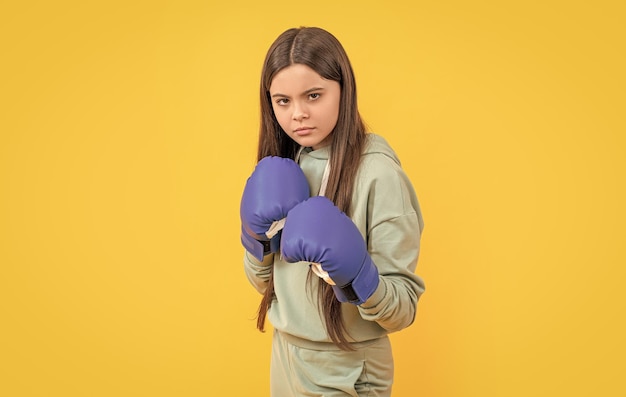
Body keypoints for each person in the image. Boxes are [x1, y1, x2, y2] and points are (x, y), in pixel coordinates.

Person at [240, 26, 425, 397]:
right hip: (287, 353)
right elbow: (266, 285)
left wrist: (358, 275)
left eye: (313, 95)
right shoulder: (286, 163)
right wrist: (255, 238)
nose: (298, 115)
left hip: (348, 365)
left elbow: (402, 309)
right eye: (283, 101)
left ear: (344, 89)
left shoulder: (379, 174)